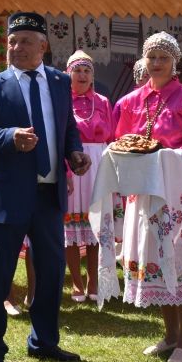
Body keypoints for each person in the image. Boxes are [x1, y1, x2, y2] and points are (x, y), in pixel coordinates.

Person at [0, 11, 90, 362]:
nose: (17, 48)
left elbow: (67, 125)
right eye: (12, 42)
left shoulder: (59, 81)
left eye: (25, 41)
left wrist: (74, 152)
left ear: (43, 46)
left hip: (48, 196)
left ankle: (44, 341)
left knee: (52, 272)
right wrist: (10, 138)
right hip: (6, 197)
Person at [114, 31, 182, 362]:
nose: (157, 63)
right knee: (157, 261)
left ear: (175, 63)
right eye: (152, 57)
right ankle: (170, 335)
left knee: (181, 257)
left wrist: (166, 158)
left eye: (163, 58)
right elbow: (121, 139)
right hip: (146, 189)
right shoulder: (132, 101)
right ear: (144, 62)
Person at [64, 50, 113, 302]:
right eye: (77, 70)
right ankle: (76, 282)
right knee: (71, 228)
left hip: (99, 164)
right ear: (68, 73)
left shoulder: (103, 102)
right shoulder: (61, 100)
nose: (82, 75)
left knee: (95, 227)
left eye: (87, 70)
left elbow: (112, 137)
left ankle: (94, 280)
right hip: (72, 162)